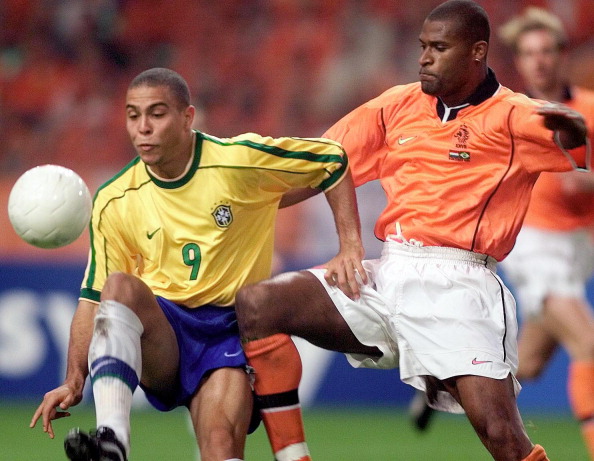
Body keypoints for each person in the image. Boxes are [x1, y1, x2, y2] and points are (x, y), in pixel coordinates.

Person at [234, 1, 590, 460]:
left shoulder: (513, 115)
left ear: (477, 52)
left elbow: (569, 140)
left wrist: (575, 132)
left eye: (439, 48)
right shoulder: (395, 106)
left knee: (502, 435)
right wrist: (243, 205)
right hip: (389, 273)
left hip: (462, 287)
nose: (423, 57)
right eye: (423, 46)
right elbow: (319, 163)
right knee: (259, 304)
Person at [29, 67, 366, 461]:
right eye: (133, 115)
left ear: (187, 118)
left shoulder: (238, 163)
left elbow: (331, 158)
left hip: (229, 333)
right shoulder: (114, 198)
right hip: (166, 336)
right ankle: (112, 441)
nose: (143, 128)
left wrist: (350, 246)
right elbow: (91, 299)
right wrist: (74, 378)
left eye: (157, 114)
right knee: (118, 286)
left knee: (220, 447)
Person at [497, 8, 594, 459]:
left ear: (562, 55)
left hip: (578, 248)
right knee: (588, 343)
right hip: (531, 245)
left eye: (547, 51)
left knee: (529, 365)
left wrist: (585, 178)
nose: (538, 61)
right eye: (528, 53)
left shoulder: (590, 108)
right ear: (519, 61)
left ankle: (447, 382)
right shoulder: (510, 115)